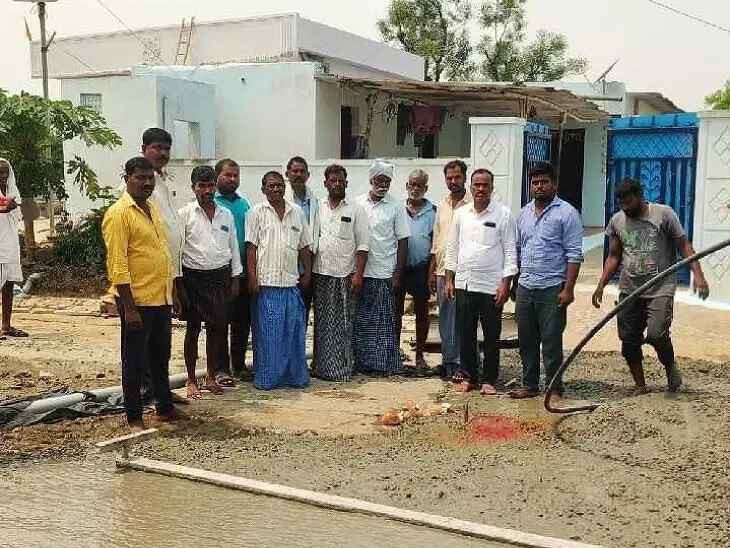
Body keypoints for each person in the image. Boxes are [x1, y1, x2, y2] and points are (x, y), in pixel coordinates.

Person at [592, 178, 710, 394]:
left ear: (640, 196)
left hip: (660, 287)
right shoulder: (617, 221)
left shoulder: (663, 214)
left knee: (657, 334)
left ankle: (670, 366)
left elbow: (684, 246)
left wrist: (699, 277)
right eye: (621, 205)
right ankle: (640, 385)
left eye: (629, 203)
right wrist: (601, 285)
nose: (625, 209)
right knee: (629, 341)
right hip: (630, 289)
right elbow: (614, 256)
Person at [102, 157, 179, 430]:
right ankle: (134, 417)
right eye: (140, 178)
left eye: (150, 178)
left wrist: (172, 292)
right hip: (137, 301)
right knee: (134, 361)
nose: (147, 183)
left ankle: (164, 408)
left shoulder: (152, 208)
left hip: (160, 297)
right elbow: (118, 264)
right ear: (127, 179)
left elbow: (163, 253)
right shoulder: (118, 214)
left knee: (160, 357)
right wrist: (129, 307)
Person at [509, 162, 584, 399]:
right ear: (530, 186)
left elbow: (574, 254)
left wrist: (568, 289)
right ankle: (529, 385)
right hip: (525, 286)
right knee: (526, 341)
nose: (539, 186)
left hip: (552, 288)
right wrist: (515, 282)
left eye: (544, 182)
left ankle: (554, 387)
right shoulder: (523, 214)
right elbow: (518, 250)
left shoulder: (567, 213)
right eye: (535, 183)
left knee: (551, 341)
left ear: (554, 184)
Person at [444, 169, 517, 395]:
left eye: (485, 185)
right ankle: (469, 377)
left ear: (492, 188)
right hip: (464, 283)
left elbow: (510, 251)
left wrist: (506, 284)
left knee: (491, 334)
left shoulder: (503, 215)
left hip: (491, 286)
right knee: (466, 333)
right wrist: (449, 279)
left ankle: (489, 379)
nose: (481, 189)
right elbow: (452, 247)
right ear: (471, 187)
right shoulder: (461, 214)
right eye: (477, 185)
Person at [178, 166, 242, 399]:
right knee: (193, 329)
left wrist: (235, 278)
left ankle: (211, 376)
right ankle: (191, 379)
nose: (207, 190)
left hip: (220, 278)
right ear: (193, 188)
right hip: (193, 278)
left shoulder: (226, 214)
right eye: (201, 186)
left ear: (215, 186)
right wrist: (178, 285)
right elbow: (177, 250)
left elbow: (233, 246)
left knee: (217, 330)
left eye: (210, 185)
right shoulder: (185, 214)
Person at [246, 171, 312, 390]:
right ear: (263, 189)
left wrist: (307, 273)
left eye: (279, 185)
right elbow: (251, 248)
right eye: (271, 186)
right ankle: (268, 379)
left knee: (293, 334)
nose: (275, 189)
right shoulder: (256, 212)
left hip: (291, 283)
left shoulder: (297, 212)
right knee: (269, 336)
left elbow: (304, 246)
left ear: (285, 187)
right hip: (267, 285)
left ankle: (294, 377)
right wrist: (253, 278)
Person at [140, 128, 188, 405]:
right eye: (157, 147)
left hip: (167, 274)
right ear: (144, 149)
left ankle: (161, 391)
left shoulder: (164, 181)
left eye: (166, 148)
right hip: (146, 276)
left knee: (162, 340)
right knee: (145, 339)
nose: (162, 153)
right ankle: (147, 394)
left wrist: (176, 281)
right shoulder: (141, 184)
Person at [312, 164, 369, 381]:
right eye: (332, 181)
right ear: (325, 183)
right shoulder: (317, 207)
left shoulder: (356, 209)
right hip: (321, 274)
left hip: (345, 275)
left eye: (340, 181)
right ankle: (321, 367)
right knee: (323, 324)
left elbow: (363, 246)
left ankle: (342, 369)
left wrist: (358, 274)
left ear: (346, 183)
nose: (337, 184)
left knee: (344, 324)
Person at [353, 159, 410, 376]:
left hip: (384, 272)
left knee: (383, 322)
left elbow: (403, 241)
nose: (383, 184)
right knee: (362, 321)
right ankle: (362, 363)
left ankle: (382, 365)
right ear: (371, 180)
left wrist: (397, 274)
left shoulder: (396, 206)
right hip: (361, 272)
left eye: (387, 181)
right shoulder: (358, 203)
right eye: (379, 180)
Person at [428, 160, 471, 380]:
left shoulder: (472, 205)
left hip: (463, 272)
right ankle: (448, 362)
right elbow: (437, 241)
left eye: (457, 177)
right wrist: (432, 271)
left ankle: (463, 364)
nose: (453, 181)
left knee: (462, 319)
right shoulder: (442, 205)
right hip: (442, 271)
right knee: (445, 319)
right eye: (449, 178)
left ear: (465, 178)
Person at [214, 159, 253, 383]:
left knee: (241, 323)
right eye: (227, 175)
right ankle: (220, 369)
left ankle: (238, 365)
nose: (232, 179)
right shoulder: (211, 203)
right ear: (217, 176)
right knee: (220, 322)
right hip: (219, 274)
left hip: (243, 274)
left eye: (235, 175)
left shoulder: (244, 205)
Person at [394, 169, 436, 370]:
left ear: (425, 188)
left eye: (420, 185)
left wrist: (431, 273)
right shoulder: (397, 209)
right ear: (407, 186)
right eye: (412, 184)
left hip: (421, 269)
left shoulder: (433, 211)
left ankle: (419, 356)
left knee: (422, 313)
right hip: (399, 269)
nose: (415, 188)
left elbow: (435, 244)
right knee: (396, 313)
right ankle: (394, 354)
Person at [285, 156, 319, 324]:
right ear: (287, 174)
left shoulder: (315, 201)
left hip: (307, 268)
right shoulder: (282, 200)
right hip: (286, 267)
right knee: (287, 314)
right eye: (294, 171)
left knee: (303, 314)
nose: (298, 174)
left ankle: (299, 342)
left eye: (302, 171)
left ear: (308, 175)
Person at [0, 159, 27, 340]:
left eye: (5, 172)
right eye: (0, 172)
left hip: (9, 240)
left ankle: (6, 325)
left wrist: (10, 205)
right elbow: (5, 207)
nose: (3, 176)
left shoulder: (11, 190)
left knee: (8, 283)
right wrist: (6, 205)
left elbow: (15, 208)